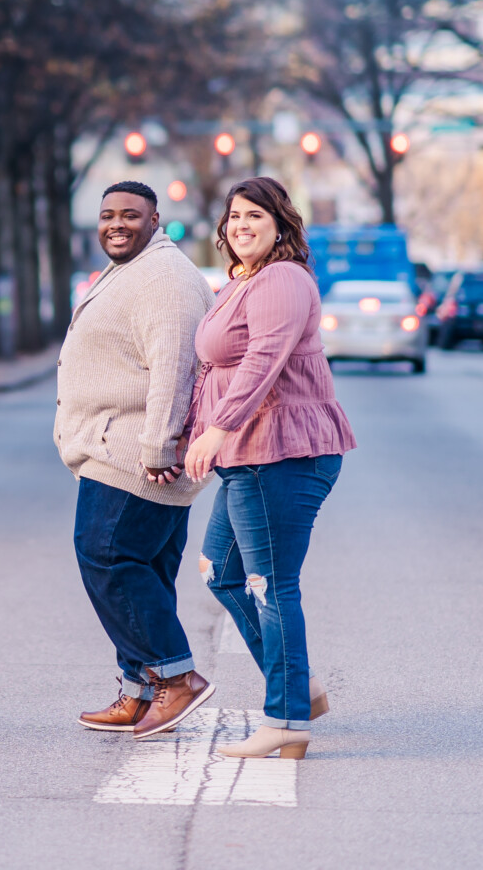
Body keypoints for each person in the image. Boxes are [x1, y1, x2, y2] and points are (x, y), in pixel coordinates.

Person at [183, 176, 355, 760]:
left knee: (271, 586)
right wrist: (190, 439)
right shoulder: (239, 283)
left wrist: (220, 429)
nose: (241, 226)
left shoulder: (282, 279)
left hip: (279, 453)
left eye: (255, 215)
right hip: (247, 456)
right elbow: (212, 373)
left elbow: (262, 362)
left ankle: (285, 719)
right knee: (222, 573)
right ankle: (298, 687)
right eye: (233, 217)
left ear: (281, 223)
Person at [55, 180, 218, 740]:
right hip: (123, 445)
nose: (116, 224)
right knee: (146, 569)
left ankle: (176, 677)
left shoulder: (164, 278)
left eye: (130, 214)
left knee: (106, 554)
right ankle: (140, 690)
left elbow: (174, 364)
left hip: (133, 451)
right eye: (107, 215)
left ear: (156, 220)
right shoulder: (135, 270)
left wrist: (157, 446)